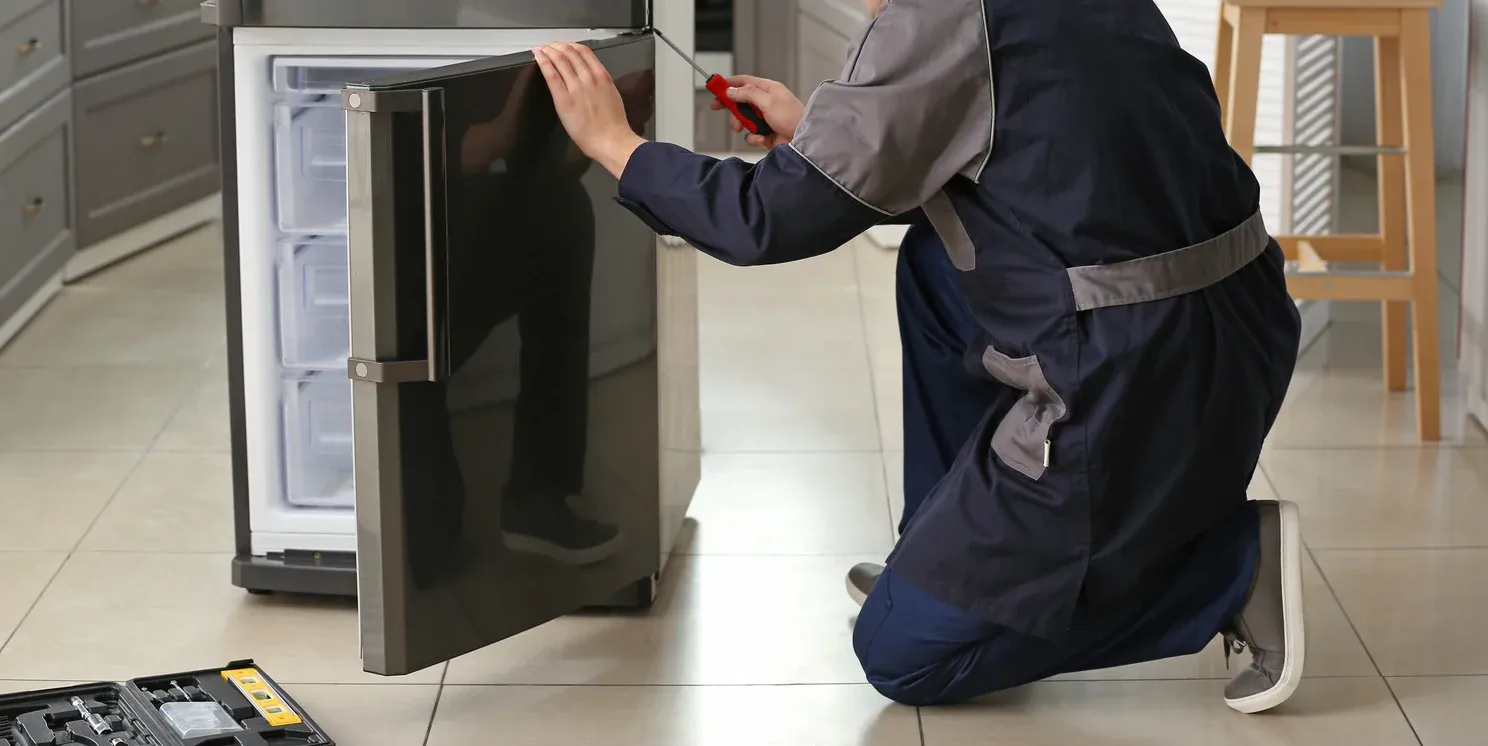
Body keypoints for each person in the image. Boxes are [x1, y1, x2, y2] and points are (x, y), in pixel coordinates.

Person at [532, 0, 1304, 712]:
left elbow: (762, 219)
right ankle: (939, 560)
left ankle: (1231, 569)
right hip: (1240, 318)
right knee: (937, 268)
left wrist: (616, 145)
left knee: (902, 656)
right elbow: (1037, 156)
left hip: (1135, 368)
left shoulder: (942, 15)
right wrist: (820, 139)